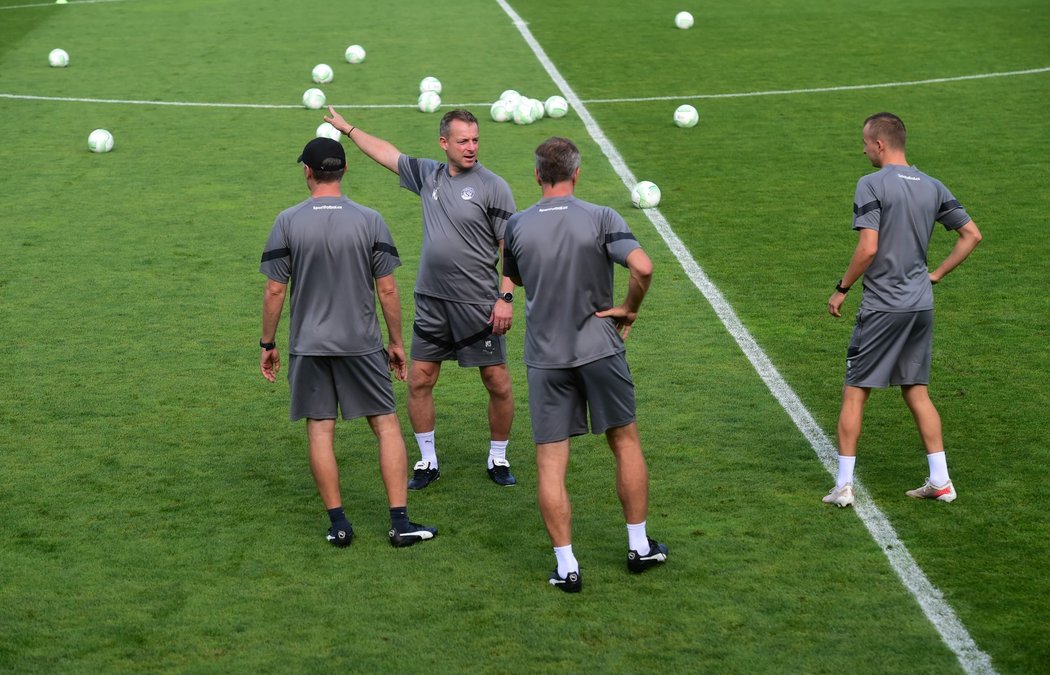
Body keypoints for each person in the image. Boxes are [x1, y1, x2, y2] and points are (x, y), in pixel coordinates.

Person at [503, 137, 668, 593]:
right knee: (625, 442)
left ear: (537, 175)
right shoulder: (601, 217)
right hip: (599, 348)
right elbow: (644, 267)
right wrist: (629, 308)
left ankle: (567, 567)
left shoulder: (516, 226)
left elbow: (515, 278)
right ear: (577, 173)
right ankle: (638, 546)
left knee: (550, 462)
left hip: (545, 358)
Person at [322, 106, 518, 489]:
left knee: (497, 381)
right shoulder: (429, 175)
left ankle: (498, 457)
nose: (471, 147)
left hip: (478, 303)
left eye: (475, 140)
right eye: (463, 140)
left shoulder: (494, 186)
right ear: (444, 142)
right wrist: (348, 129)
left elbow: (511, 246)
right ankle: (427, 460)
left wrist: (505, 296)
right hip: (431, 301)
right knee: (419, 381)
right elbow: (386, 154)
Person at [259, 136, 437, 548]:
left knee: (321, 431)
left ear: (308, 171)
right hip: (361, 343)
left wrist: (266, 343)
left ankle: (339, 524)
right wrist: (395, 342)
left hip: (309, 345)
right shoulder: (370, 219)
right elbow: (388, 291)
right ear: (344, 170)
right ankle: (400, 522)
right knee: (386, 425)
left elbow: (274, 292)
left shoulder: (287, 220)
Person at [824, 112, 983, 508]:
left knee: (854, 392)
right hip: (919, 305)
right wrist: (938, 274)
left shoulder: (871, 184)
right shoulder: (932, 185)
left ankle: (843, 486)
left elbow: (868, 247)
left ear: (879, 144)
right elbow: (971, 235)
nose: (862, 149)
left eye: (864, 142)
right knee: (916, 391)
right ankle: (941, 480)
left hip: (882, 306)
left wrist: (842, 289)